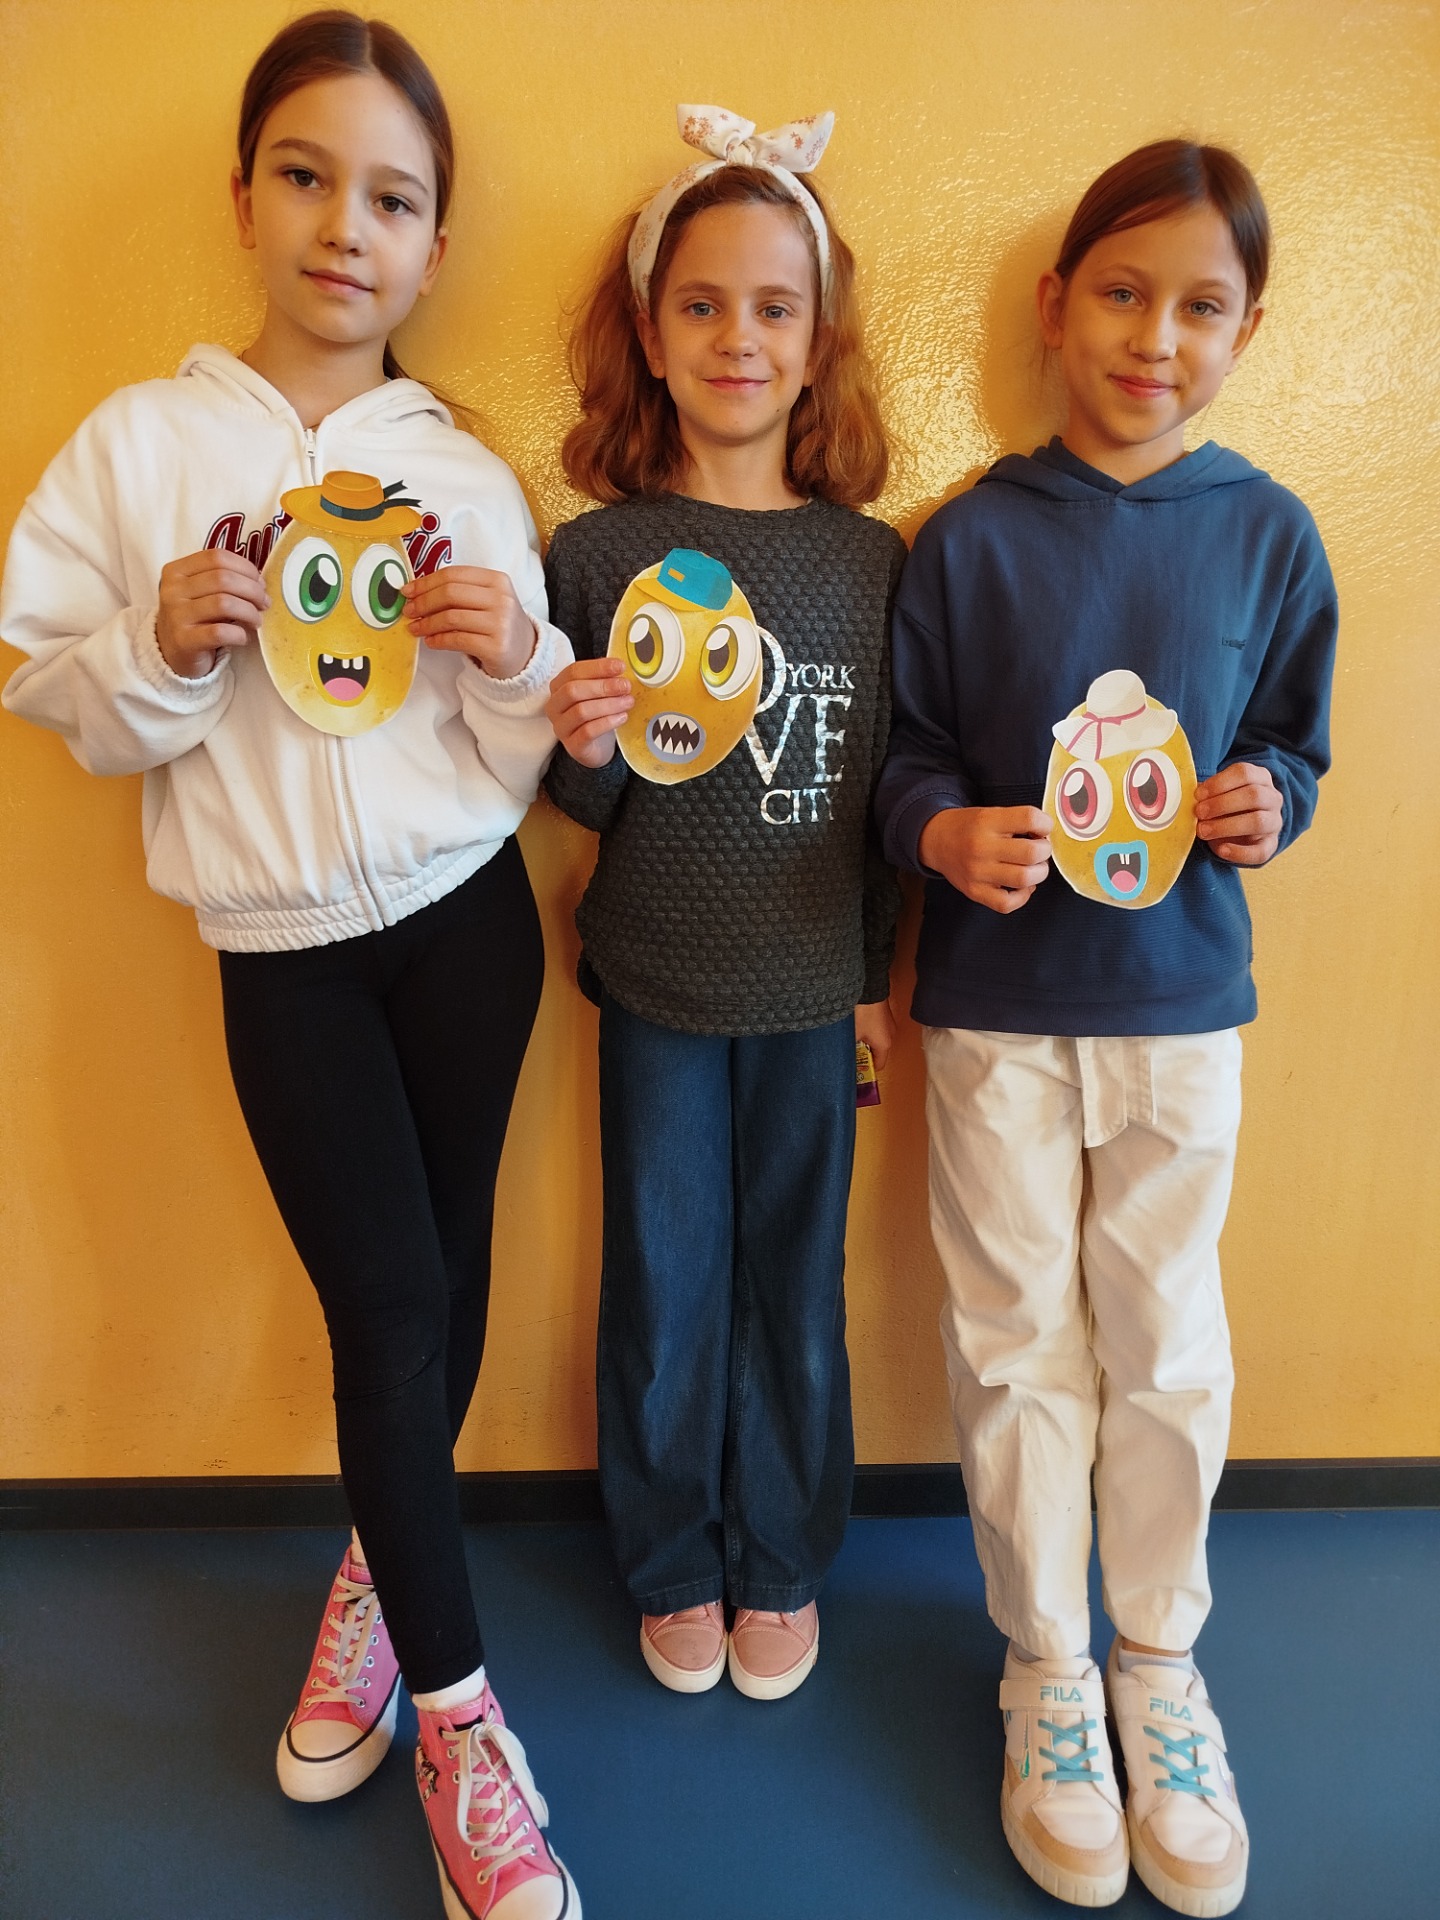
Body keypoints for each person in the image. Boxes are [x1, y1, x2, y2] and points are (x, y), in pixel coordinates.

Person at [1, 13, 580, 1917]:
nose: (348, 227)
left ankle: (375, 1584)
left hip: (468, 930)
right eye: (310, 178)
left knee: (447, 1282)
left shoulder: (460, 471)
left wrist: (508, 658)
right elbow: (49, 683)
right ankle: (463, 1726)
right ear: (243, 195)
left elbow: (526, 750)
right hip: (285, 957)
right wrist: (159, 642)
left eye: (393, 200)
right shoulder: (141, 445)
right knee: (389, 1306)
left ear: (434, 246)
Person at [876, 140, 1337, 1914]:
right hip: (996, 1016)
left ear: (1246, 331)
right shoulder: (970, 537)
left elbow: (1291, 744)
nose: (1157, 339)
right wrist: (939, 831)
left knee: (1166, 1343)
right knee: (1014, 1344)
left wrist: (1271, 800)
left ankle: (1158, 1660)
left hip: (1177, 1013)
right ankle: (1048, 1668)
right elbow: (909, 756)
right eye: (1125, 296)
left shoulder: (1270, 535)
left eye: (1202, 307)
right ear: (1059, 304)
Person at [543, 106, 904, 1702]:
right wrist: (582, 748)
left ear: (818, 343)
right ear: (651, 332)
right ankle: (672, 1557)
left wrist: (878, 980)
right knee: (666, 1281)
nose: (738, 338)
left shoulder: (870, 566)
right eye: (702, 305)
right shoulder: (596, 555)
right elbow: (585, 807)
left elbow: (884, 802)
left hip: (814, 993)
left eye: (772, 308)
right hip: (655, 989)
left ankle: (781, 1559)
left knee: (796, 1292)